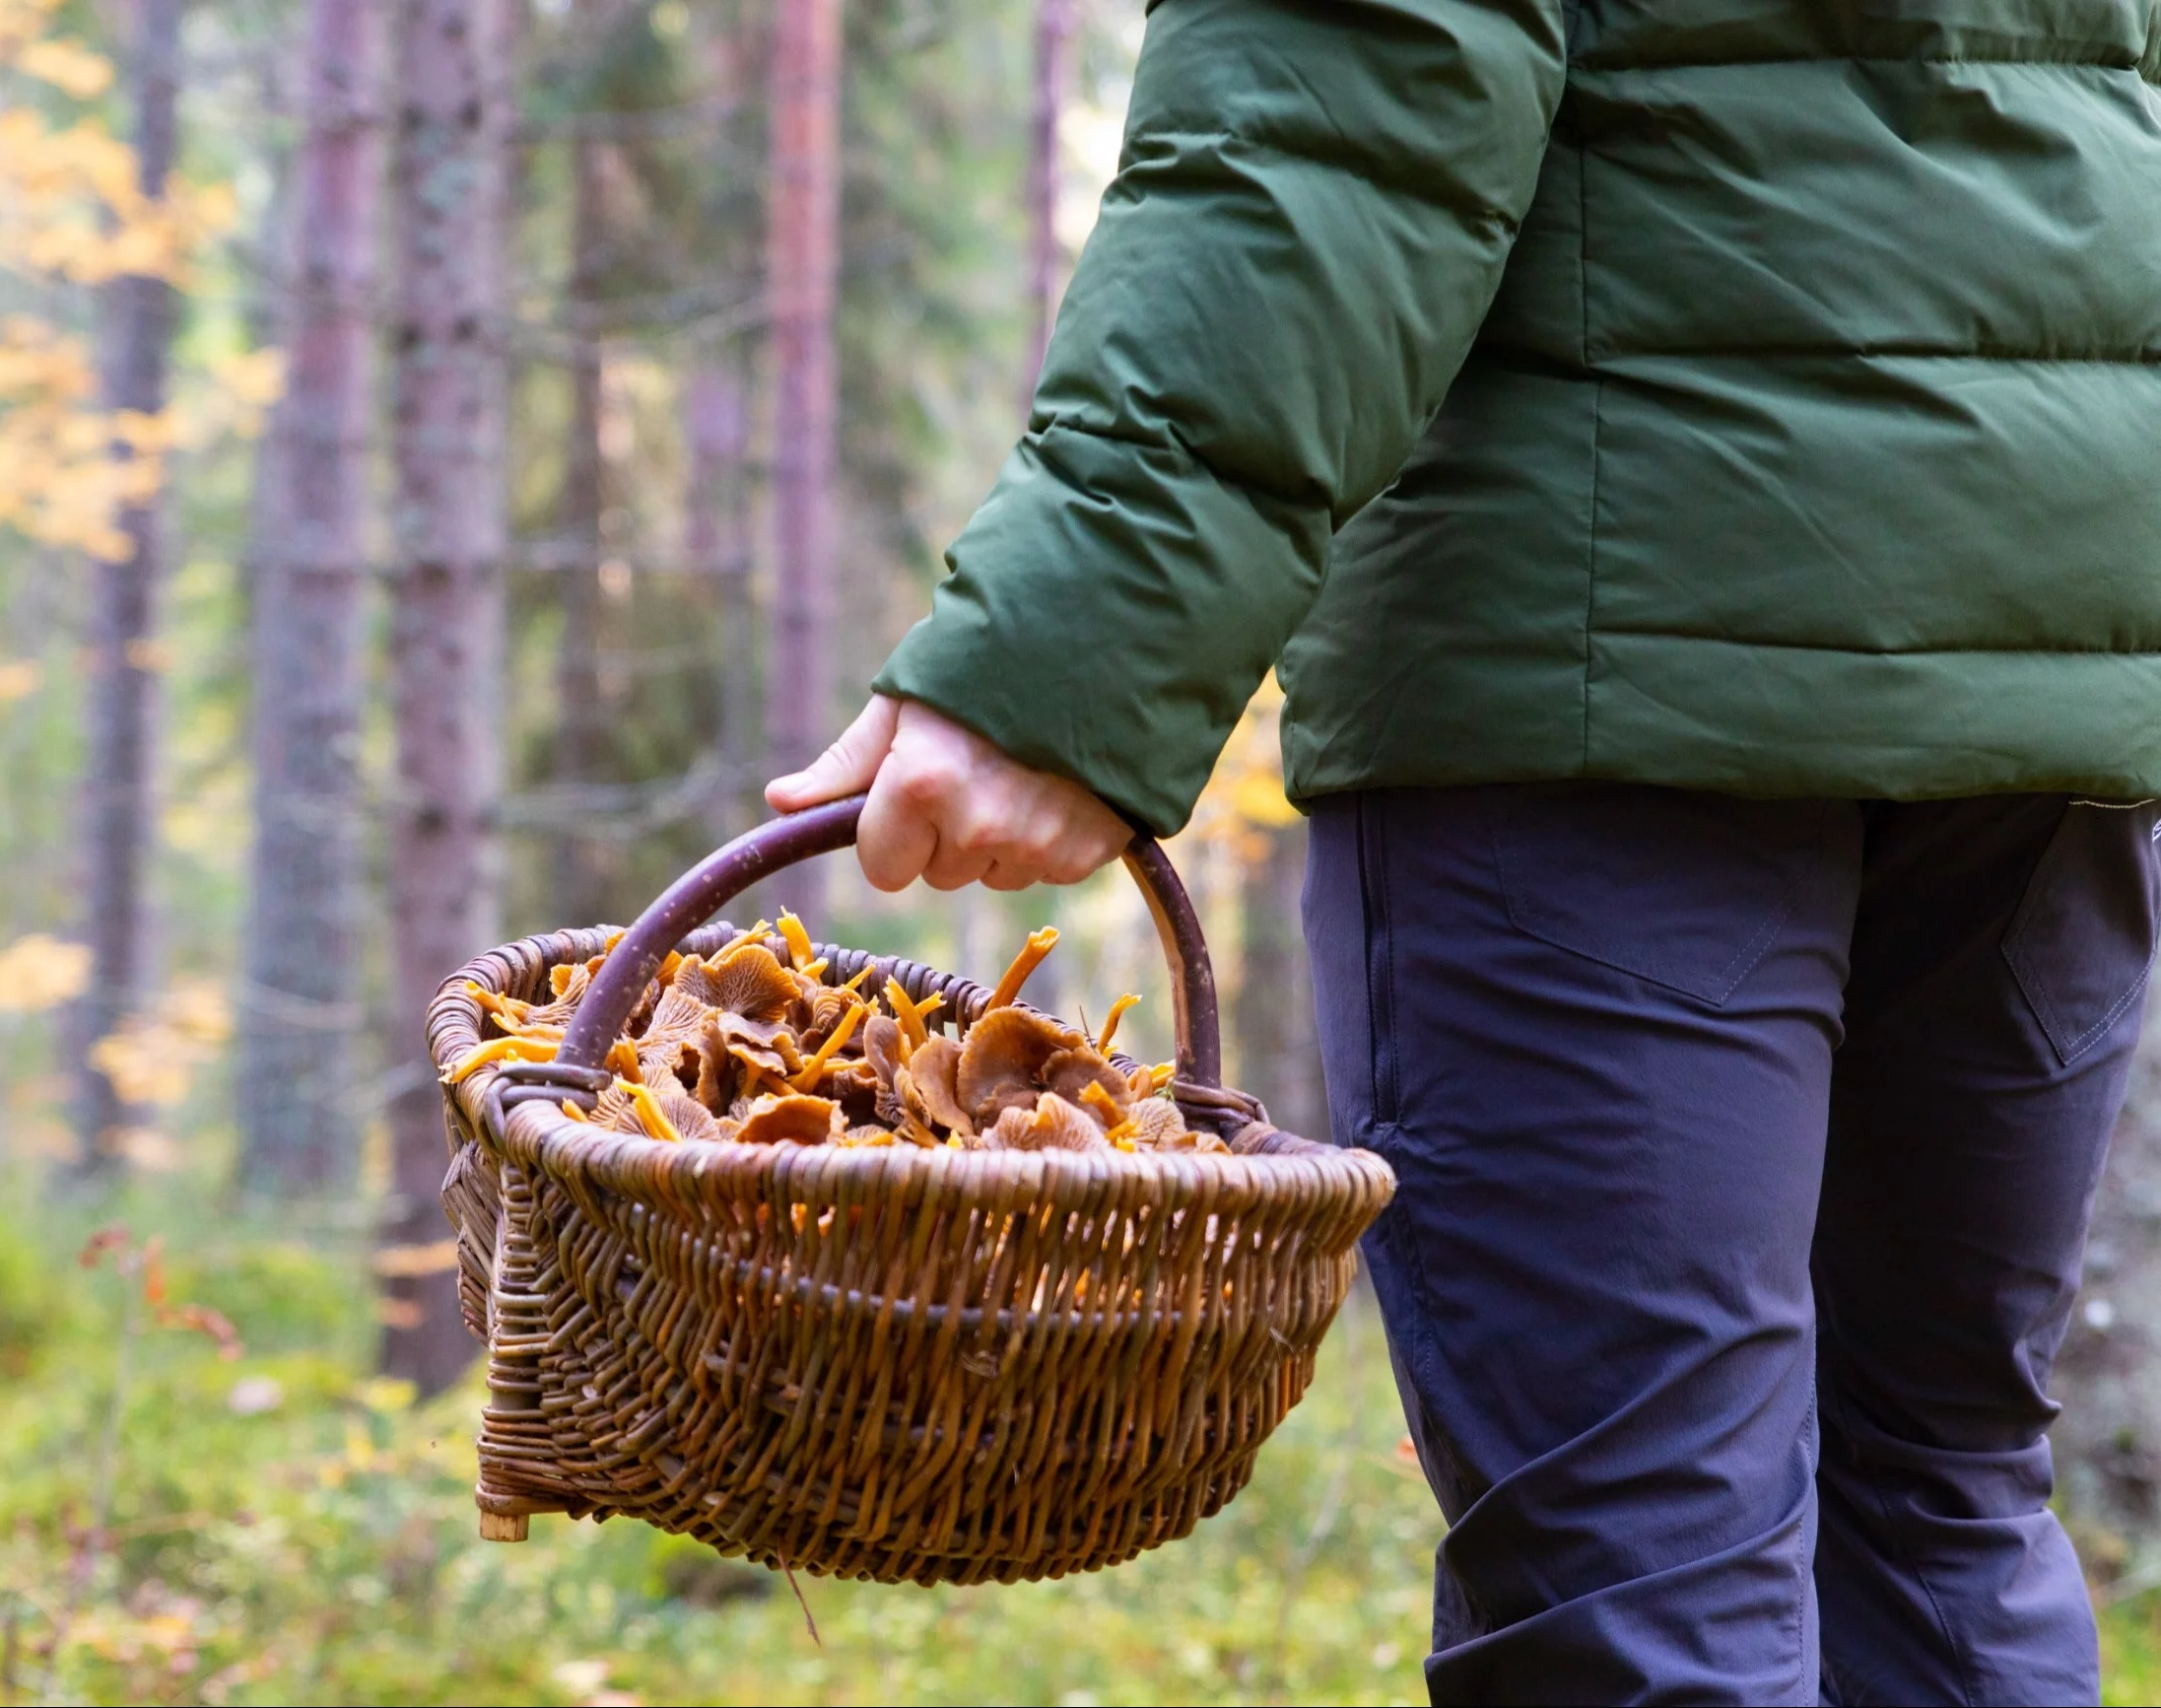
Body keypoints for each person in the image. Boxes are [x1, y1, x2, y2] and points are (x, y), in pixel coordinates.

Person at [769, 0, 2161, 1699]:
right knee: (1936, 1506)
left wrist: (1071, 654)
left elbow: (1339, 100)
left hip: (1601, 665)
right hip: (2060, 651)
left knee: (1648, 1564)